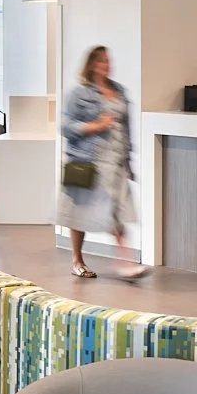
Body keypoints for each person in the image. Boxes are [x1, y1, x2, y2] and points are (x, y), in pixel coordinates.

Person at [58, 45, 145, 281]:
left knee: (115, 210)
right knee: (78, 213)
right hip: (89, 162)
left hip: (114, 161)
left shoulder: (120, 92)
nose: (106, 65)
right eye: (101, 61)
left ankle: (126, 261)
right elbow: (65, 126)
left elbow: (126, 129)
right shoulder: (79, 94)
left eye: (108, 60)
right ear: (91, 65)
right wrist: (95, 125)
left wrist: (128, 160)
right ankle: (78, 261)